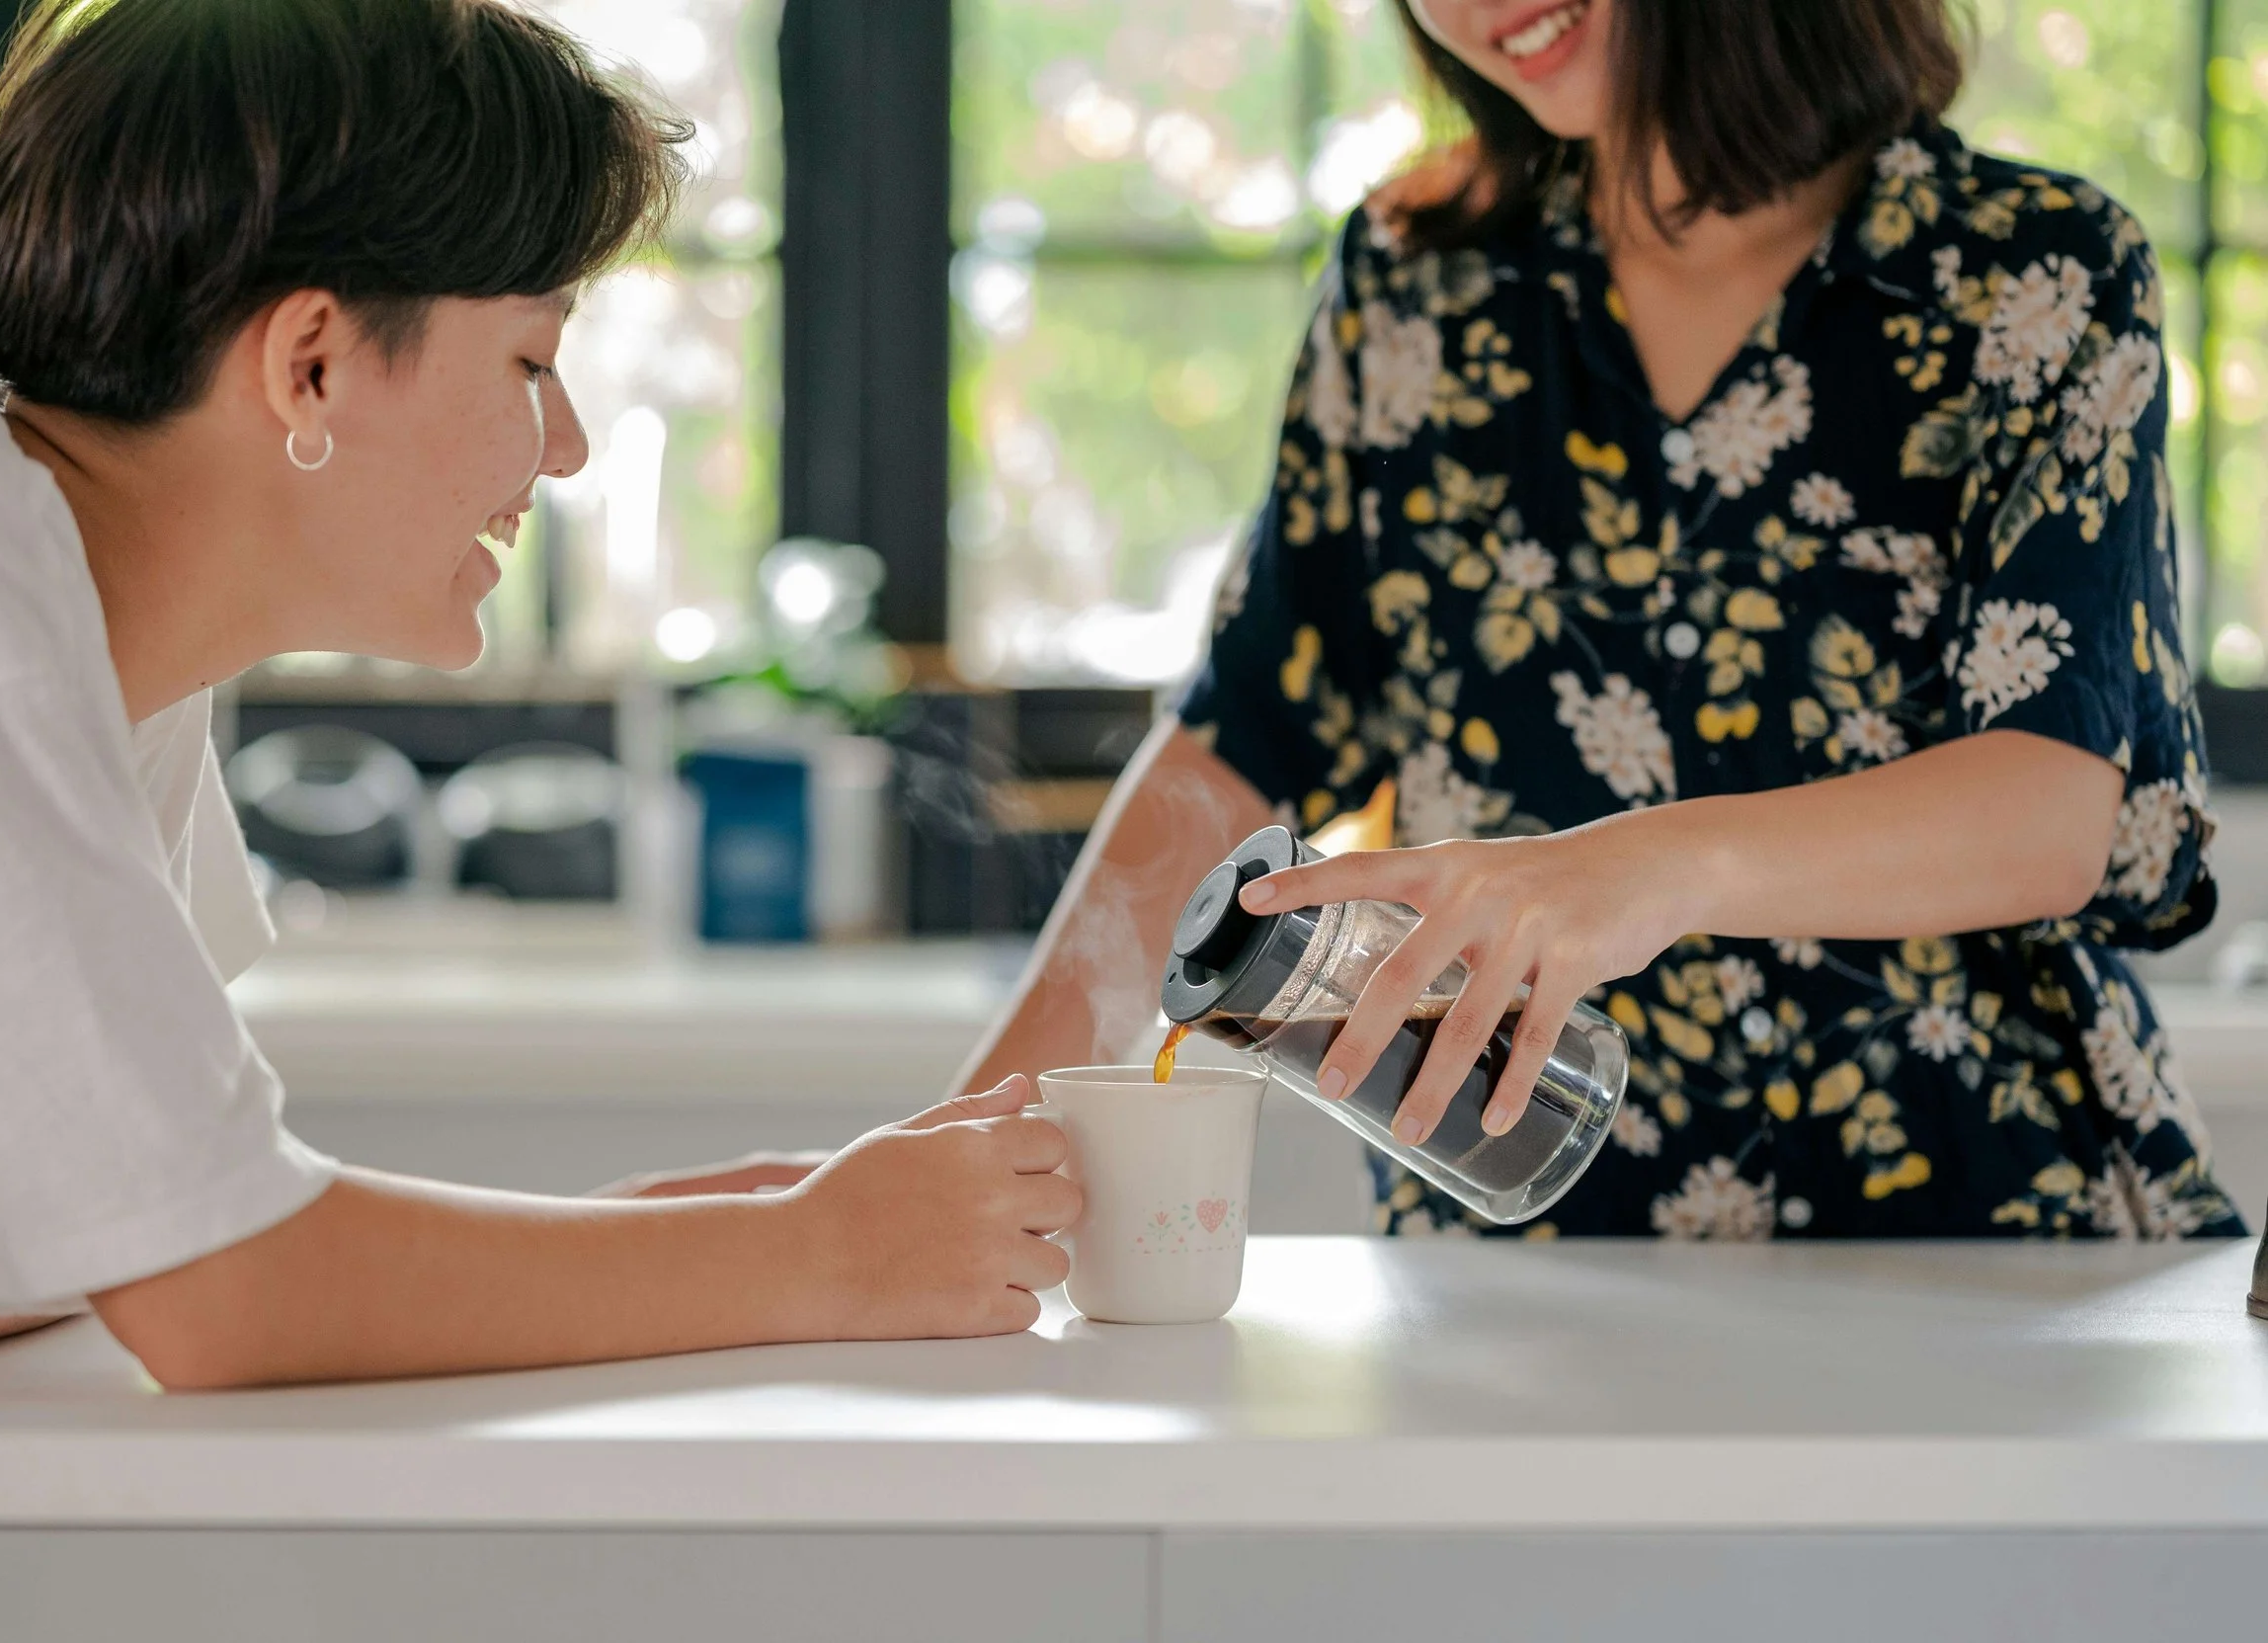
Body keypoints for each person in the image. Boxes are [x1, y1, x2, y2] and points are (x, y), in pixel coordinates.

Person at [0, 0, 1074, 1406]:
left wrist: (647, 1238)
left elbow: (110, 1213)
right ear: (312, 364)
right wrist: (818, 1252)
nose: (570, 445)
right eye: (532, 359)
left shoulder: (65, 604)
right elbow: (220, 1285)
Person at [961, 0, 2245, 1242]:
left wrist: (1656, 864)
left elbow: (2049, 814)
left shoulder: (2039, 273)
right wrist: (970, 1138)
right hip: (1525, 1258)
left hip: (1992, 1247)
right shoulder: (1416, 285)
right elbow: (1236, 751)